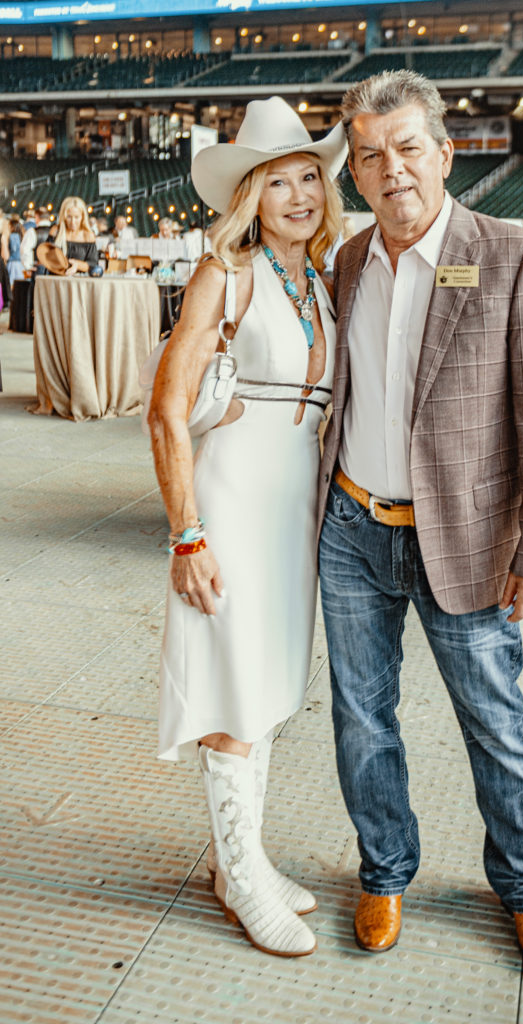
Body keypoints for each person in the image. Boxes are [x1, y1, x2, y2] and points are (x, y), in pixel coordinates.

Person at [317, 70, 523, 971]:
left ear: (445, 152)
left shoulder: (509, 256)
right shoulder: (348, 261)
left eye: (407, 148)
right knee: (361, 718)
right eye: (369, 156)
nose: (391, 170)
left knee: (497, 724)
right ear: (353, 171)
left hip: (463, 538)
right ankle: (384, 871)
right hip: (352, 530)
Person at [148, 96, 346, 959]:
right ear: (250, 196)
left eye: (310, 177)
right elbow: (164, 411)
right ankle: (239, 880)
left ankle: (243, 867)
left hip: (292, 508)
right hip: (230, 502)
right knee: (232, 687)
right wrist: (186, 535)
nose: (299, 194)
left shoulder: (321, 277)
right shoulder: (224, 274)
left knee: (266, 688)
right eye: (279, 181)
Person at [48, 197, 99, 274]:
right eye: (69, 217)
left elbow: (93, 264)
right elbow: (46, 256)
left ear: (82, 217)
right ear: (64, 216)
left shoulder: (88, 235)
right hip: (55, 279)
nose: (73, 222)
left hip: (78, 282)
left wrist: (77, 264)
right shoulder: (55, 231)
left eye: (76, 217)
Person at [6, 214, 24, 288]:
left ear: (12, 226)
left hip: (12, 262)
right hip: (18, 263)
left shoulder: (13, 236)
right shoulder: (19, 235)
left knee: (11, 283)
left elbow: (14, 249)